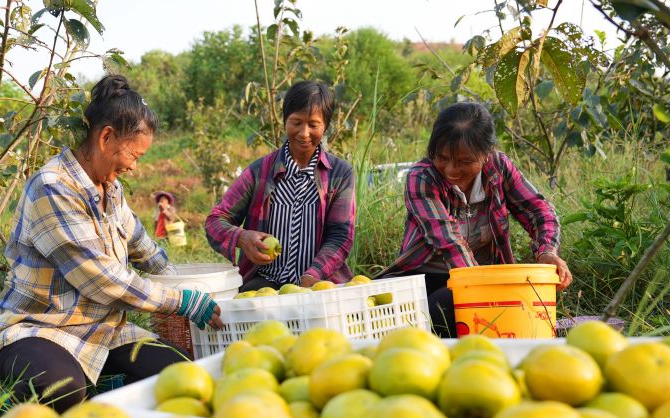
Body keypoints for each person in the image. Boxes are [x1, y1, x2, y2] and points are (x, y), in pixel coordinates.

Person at [0, 75, 222, 413]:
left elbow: (141, 244)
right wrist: (177, 301)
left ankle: (101, 395)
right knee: (62, 387)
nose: (134, 166)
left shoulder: (110, 188)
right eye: (133, 155)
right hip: (41, 331)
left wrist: (178, 279)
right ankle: (2, 416)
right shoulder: (52, 188)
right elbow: (104, 280)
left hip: (104, 333)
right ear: (106, 137)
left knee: (179, 373)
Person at [377, 101, 572, 337]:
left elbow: (539, 211)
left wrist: (546, 251)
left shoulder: (499, 168)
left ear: (486, 154)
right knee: (446, 308)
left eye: (464, 161)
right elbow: (449, 242)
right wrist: (485, 295)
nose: (451, 170)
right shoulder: (422, 178)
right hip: (427, 279)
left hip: (484, 277)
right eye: (442, 158)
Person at [206, 80, 356, 291]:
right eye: (296, 122)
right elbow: (215, 220)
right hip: (265, 281)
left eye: (313, 125)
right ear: (284, 120)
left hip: (319, 283)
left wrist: (314, 274)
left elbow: (341, 235)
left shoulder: (340, 174)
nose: (304, 133)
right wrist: (242, 238)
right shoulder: (259, 172)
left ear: (325, 126)